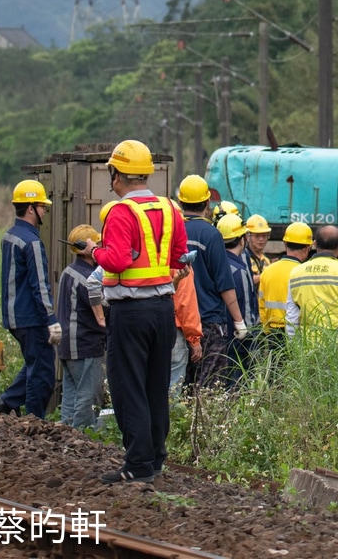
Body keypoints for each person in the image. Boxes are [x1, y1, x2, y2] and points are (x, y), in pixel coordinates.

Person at [77, 139, 189, 484]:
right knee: (156, 386)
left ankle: (137, 463)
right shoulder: (170, 209)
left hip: (130, 310)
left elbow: (118, 259)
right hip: (162, 310)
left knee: (128, 387)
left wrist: (95, 252)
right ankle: (155, 458)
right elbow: (179, 258)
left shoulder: (119, 212)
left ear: (116, 175)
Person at [177, 175, 249, 388]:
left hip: (178, 322)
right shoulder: (211, 235)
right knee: (209, 384)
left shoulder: (174, 231)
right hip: (208, 323)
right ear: (207, 203)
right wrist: (238, 320)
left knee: (182, 385)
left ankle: (181, 421)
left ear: (180, 203)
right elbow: (224, 283)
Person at [0, 179, 58, 419]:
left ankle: (7, 402)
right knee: (42, 372)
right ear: (31, 208)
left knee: (34, 362)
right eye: (42, 206)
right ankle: (34, 421)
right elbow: (39, 285)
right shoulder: (31, 241)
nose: (44, 211)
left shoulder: (10, 236)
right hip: (31, 317)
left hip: (13, 316)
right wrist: (50, 318)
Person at [57, 224, 107, 430]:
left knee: (71, 397)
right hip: (86, 345)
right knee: (88, 398)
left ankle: (65, 439)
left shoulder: (69, 271)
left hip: (67, 345)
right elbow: (105, 307)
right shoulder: (89, 278)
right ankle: (82, 440)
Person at [285, 225, 338, 336]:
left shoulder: (296, 273)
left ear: (314, 244)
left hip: (308, 348)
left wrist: (293, 346)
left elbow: (291, 317)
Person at [218, 213, 258, 383]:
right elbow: (246, 306)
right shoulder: (239, 270)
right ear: (242, 239)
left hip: (220, 332)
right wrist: (250, 332)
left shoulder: (218, 264)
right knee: (237, 380)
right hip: (238, 336)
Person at [259, 222, 312, 338]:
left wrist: (266, 331)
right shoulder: (304, 273)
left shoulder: (267, 271)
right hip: (296, 330)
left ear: (285, 243)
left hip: (273, 332)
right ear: (308, 248)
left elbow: (261, 305)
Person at [169, 254, 202, 398]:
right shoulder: (180, 262)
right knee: (172, 388)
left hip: (142, 326)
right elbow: (185, 303)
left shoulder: (145, 255)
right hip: (173, 330)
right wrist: (194, 339)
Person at [244, 214, 272, 287]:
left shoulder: (266, 260)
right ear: (248, 236)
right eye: (257, 236)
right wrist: (266, 276)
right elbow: (244, 281)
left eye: (264, 235)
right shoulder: (243, 257)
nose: (261, 239)